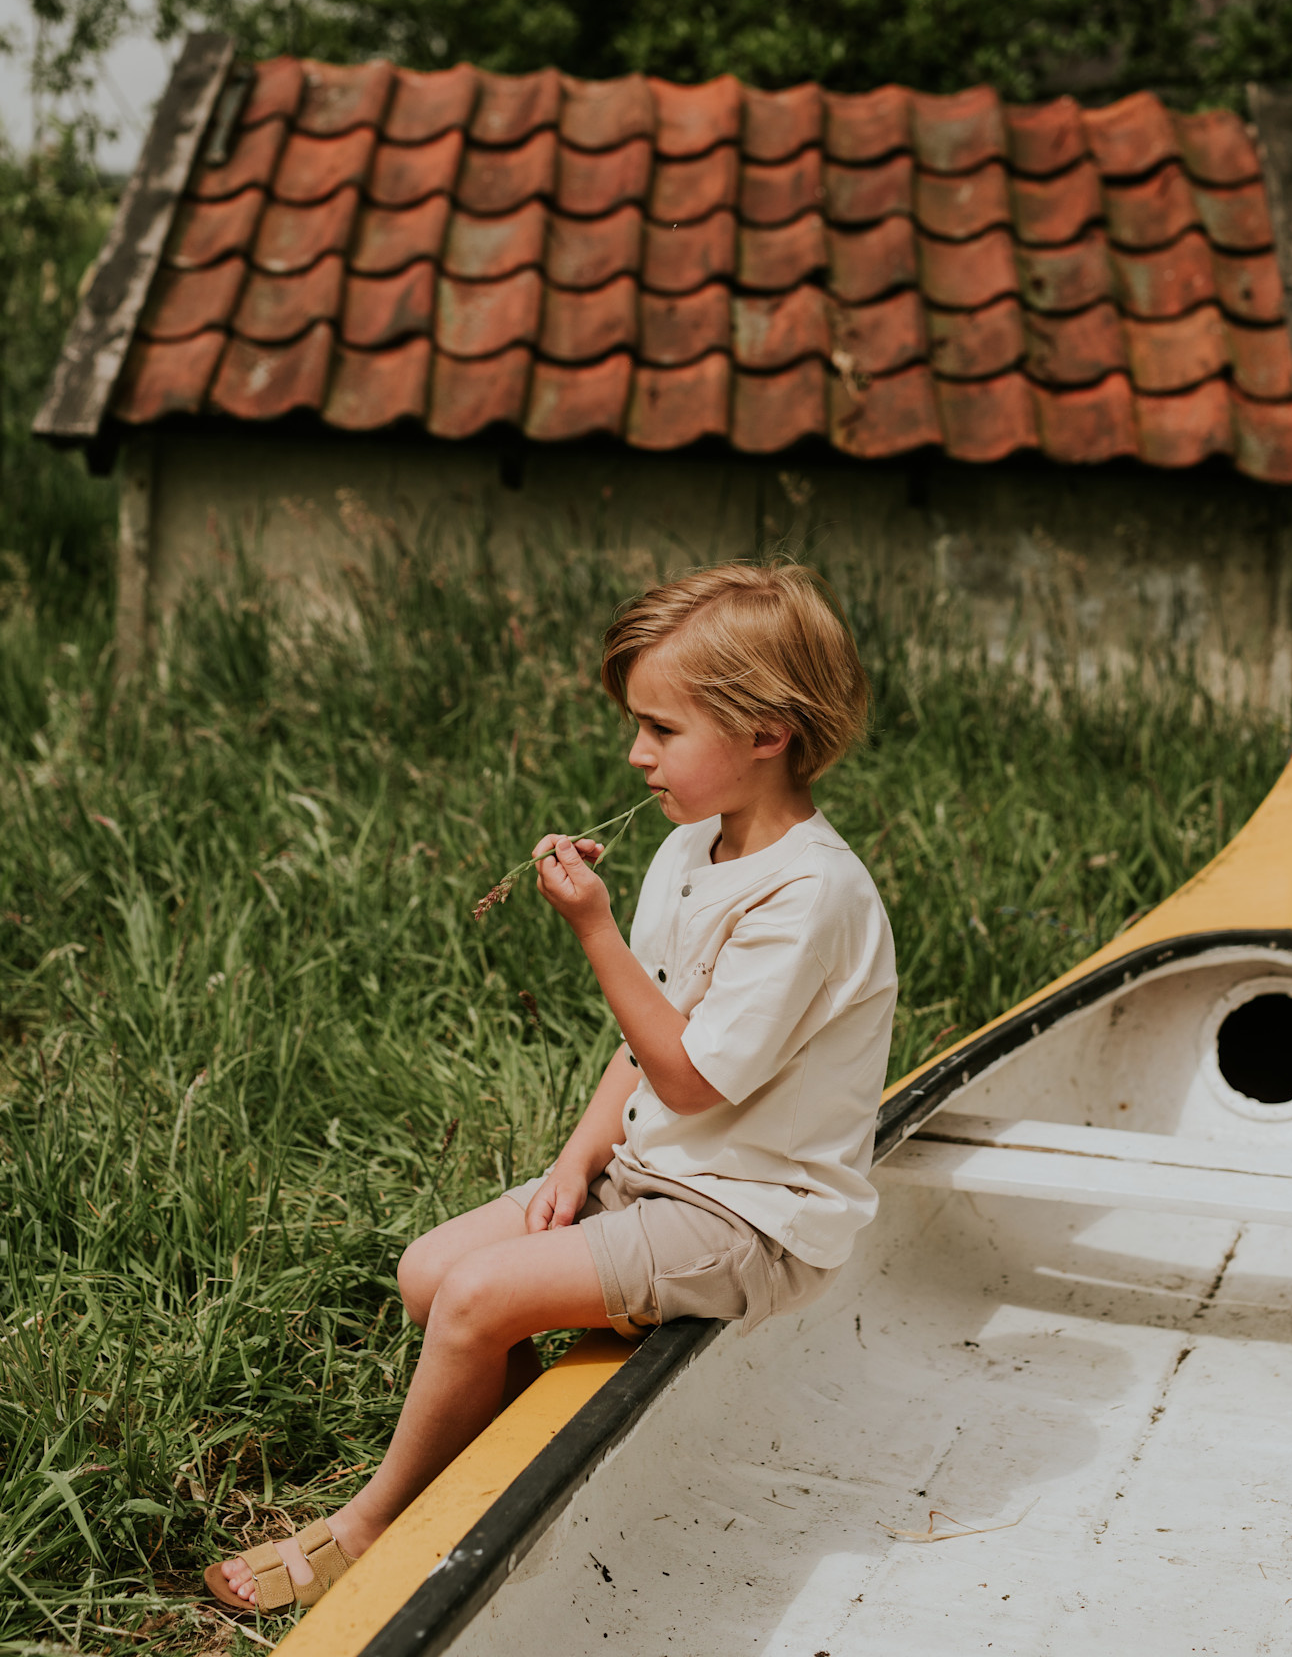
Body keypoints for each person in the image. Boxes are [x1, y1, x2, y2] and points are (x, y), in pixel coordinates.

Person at [205, 561, 897, 1614]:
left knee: (482, 1298)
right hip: (656, 1173)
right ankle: (514, 1468)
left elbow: (693, 1076)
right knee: (431, 1271)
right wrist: (579, 1158)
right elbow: (644, 1032)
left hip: (749, 1213)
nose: (635, 753)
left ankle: (375, 1521)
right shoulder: (685, 848)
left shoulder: (809, 895)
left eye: (661, 728)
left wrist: (593, 930)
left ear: (766, 731)